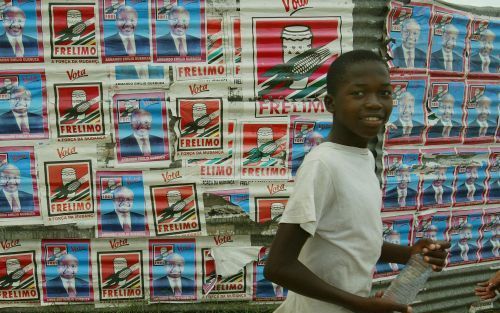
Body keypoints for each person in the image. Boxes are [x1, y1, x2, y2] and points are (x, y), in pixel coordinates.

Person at [264, 50, 449, 313]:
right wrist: (362, 305)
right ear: (330, 103)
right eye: (358, 93)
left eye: (384, 93)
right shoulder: (323, 165)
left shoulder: (363, 157)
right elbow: (279, 266)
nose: (374, 103)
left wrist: (408, 254)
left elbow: (352, 239)